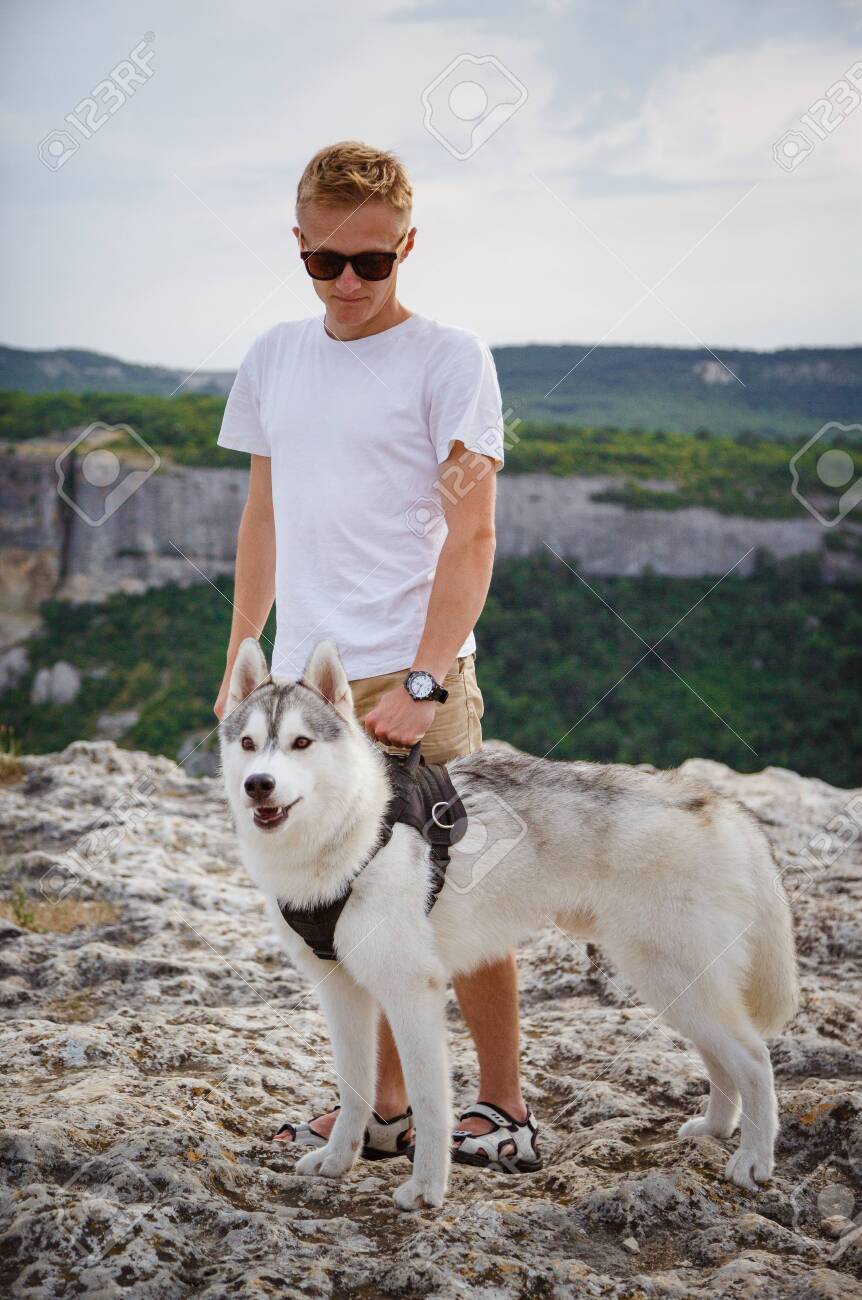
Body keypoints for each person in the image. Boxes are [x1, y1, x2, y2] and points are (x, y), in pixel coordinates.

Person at [213, 141, 539, 1171]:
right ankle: (383, 1111)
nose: (348, 283)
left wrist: (426, 675)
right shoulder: (273, 356)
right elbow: (262, 513)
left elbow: (474, 532)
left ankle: (503, 1105)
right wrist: (241, 646)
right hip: (303, 687)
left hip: (410, 675)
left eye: (371, 262)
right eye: (326, 263)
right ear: (299, 245)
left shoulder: (450, 358)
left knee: (457, 893)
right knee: (336, 906)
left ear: (407, 245)